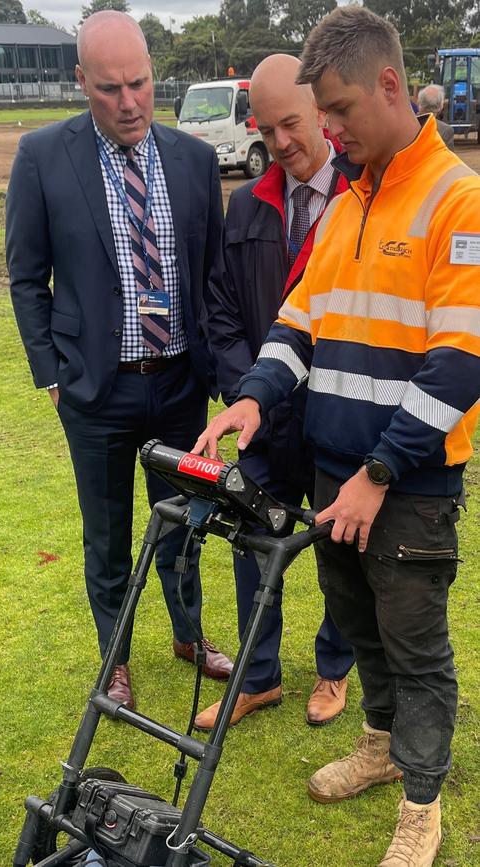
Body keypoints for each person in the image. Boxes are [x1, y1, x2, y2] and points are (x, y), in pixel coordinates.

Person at [193, 6, 480, 866]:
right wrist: (251, 398)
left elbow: (461, 363)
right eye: (323, 116)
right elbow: (297, 323)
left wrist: (381, 471)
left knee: (415, 644)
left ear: (391, 84)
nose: (331, 131)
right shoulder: (346, 206)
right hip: (332, 477)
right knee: (358, 628)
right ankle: (380, 745)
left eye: (342, 111)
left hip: (406, 489)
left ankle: (422, 803)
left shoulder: (456, 199)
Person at [6, 11, 232, 712]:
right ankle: (116, 656)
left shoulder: (194, 161)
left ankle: (189, 632)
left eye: (138, 82)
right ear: (82, 82)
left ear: (152, 74)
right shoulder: (42, 157)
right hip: (95, 391)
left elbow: (212, 274)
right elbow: (26, 276)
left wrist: (221, 370)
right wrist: (51, 372)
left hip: (178, 384)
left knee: (185, 520)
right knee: (105, 532)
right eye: (109, 88)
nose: (129, 101)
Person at [194, 54, 354, 733]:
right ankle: (258, 678)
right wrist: (245, 393)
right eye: (267, 127)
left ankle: (332, 668)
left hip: (336, 417)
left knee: (339, 551)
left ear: (319, 110)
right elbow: (222, 311)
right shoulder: (248, 204)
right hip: (261, 417)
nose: (281, 141)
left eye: (291, 123)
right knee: (252, 544)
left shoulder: (362, 195)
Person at [417, 83, 455, 150]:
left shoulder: (406, 125)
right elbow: (448, 159)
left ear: (419, 103)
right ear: (440, 106)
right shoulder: (445, 131)